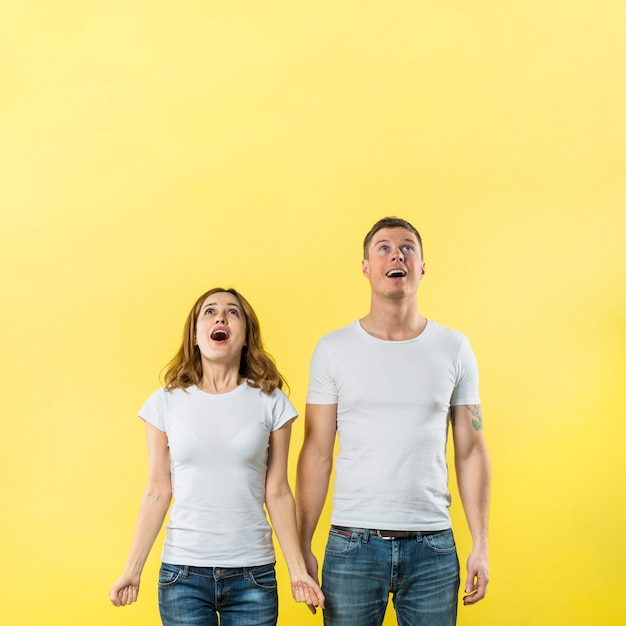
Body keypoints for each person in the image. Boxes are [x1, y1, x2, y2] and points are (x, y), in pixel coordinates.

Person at [296, 217, 491, 626]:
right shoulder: (334, 349)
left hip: (432, 549)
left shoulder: (454, 348)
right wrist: (301, 545)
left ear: (422, 267)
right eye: (383, 247)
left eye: (407, 247)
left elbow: (471, 449)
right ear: (366, 267)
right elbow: (316, 452)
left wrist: (481, 544)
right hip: (351, 547)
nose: (396, 254)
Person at [109, 287, 324, 625]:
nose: (220, 316)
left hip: (253, 576)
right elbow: (157, 490)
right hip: (183, 577)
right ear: (194, 336)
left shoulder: (272, 402)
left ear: (245, 336)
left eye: (232, 312)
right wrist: (131, 572)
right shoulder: (164, 403)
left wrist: (297, 571)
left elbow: (278, 491)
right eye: (209, 311)